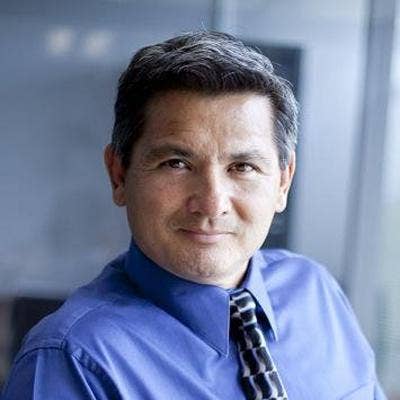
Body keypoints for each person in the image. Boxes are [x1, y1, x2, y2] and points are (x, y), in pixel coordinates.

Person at [2, 31, 386, 400]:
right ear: (119, 175)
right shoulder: (71, 360)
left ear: (283, 182)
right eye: (177, 163)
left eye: (243, 167)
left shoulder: (316, 292)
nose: (212, 202)